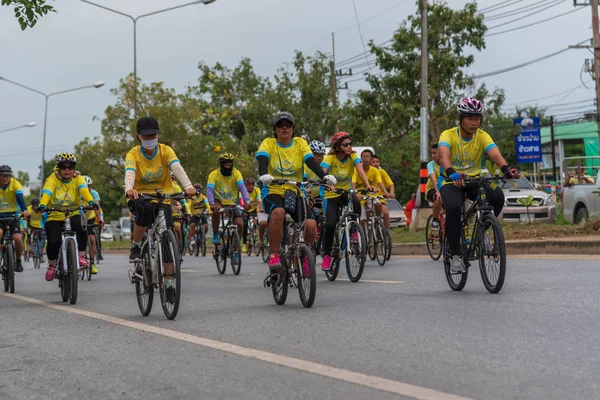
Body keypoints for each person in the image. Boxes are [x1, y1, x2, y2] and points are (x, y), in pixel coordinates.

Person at [438, 97, 519, 273]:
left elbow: (495, 154)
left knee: (497, 196)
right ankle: (456, 255)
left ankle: (481, 231)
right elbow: (444, 154)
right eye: (470, 118)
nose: (474, 123)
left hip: (475, 180)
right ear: (460, 119)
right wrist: (451, 171)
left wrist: (506, 168)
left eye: (477, 118)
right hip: (451, 179)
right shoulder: (448, 134)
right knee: (452, 209)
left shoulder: (482, 136)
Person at [124, 116, 196, 298]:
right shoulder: (133, 154)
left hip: (163, 197)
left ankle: (170, 283)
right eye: (146, 136)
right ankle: (136, 244)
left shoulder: (166, 151)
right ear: (138, 136)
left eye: (153, 135)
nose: (150, 139)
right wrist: (129, 188)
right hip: (140, 196)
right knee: (146, 209)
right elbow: (130, 172)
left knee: (167, 239)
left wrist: (188, 185)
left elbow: (176, 167)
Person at [256, 111, 336, 273]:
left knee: (312, 225)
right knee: (278, 213)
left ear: (293, 128)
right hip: (273, 190)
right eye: (280, 125)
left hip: (295, 192)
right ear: (275, 129)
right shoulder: (269, 143)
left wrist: (324, 176)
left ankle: (304, 256)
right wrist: (263, 173)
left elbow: (310, 160)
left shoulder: (300, 143)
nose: (284, 128)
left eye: (288, 125)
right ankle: (273, 255)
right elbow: (263, 158)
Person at [38, 154, 100, 281]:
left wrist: (91, 202)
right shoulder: (52, 178)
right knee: (54, 241)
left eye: (70, 167)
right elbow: (47, 192)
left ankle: (80, 256)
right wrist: (43, 204)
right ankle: (52, 265)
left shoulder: (78, 178)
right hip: (55, 214)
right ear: (59, 168)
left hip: (73, 212)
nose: (67, 170)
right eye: (63, 167)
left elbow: (84, 191)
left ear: (74, 168)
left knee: (82, 227)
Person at [320, 132, 374, 270]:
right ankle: (326, 255)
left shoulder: (353, 157)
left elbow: (361, 171)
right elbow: (323, 171)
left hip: (345, 191)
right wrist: (327, 182)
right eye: (346, 144)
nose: (349, 146)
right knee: (331, 224)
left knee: (356, 201)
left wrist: (367, 185)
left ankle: (354, 233)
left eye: (350, 144)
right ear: (338, 147)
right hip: (331, 194)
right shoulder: (330, 158)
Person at [206, 153, 250, 264]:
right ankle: (216, 234)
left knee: (240, 224)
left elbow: (242, 187)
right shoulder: (214, 174)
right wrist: (212, 203)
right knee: (216, 210)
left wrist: (247, 201)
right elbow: (210, 190)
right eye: (226, 164)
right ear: (221, 165)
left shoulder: (236, 173)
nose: (228, 166)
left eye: (230, 164)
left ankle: (235, 250)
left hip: (232, 203)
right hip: (218, 201)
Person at [0, 165, 28, 272]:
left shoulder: (15, 184)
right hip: (0, 216)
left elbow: (20, 197)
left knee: (17, 238)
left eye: (7, 175)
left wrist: (24, 210)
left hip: (13, 216)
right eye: (2, 175)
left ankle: (18, 260)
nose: (5, 178)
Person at [352, 149, 387, 228]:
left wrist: (385, 192)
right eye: (363, 157)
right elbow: (353, 182)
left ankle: (377, 220)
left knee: (378, 203)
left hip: (370, 194)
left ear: (371, 159)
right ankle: (363, 236)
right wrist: (355, 193)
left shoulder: (375, 170)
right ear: (361, 158)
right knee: (362, 219)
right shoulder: (356, 169)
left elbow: (380, 182)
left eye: (367, 157)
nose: (365, 159)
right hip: (360, 196)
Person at [83, 175, 104, 273]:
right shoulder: (77, 193)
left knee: (92, 239)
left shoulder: (94, 193)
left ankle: (92, 263)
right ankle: (80, 260)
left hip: (90, 218)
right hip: (79, 218)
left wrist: (99, 218)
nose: (88, 188)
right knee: (80, 240)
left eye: (90, 186)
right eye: (86, 186)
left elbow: (97, 207)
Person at [425, 144, 443, 232]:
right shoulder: (430, 165)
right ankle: (435, 220)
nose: (433, 155)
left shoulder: (447, 163)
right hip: (432, 189)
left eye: (435, 153)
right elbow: (433, 179)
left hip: (445, 189)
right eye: (432, 153)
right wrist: (438, 192)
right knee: (438, 198)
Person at [241, 177, 261, 253]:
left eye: (252, 184)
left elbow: (259, 200)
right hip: (246, 209)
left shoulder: (257, 190)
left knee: (260, 221)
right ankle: (244, 243)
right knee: (245, 225)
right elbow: (241, 201)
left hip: (255, 208)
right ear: (246, 185)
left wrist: (259, 209)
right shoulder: (243, 191)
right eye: (249, 185)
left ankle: (259, 238)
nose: (251, 186)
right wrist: (244, 205)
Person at [187, 183, 211, 248]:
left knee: (206, 226)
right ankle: (192, 239)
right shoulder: (192, 198)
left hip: (201, 214)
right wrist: (189, 213)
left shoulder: (203, 197)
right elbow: (188, 205)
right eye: (196, 190)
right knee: (192, 225)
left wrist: (210, 210)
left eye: (199, 190)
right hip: (194, 214)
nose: (198, 191)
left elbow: (207, 204)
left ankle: (203, 237)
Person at [27, 198, 47, 263]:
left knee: (43, 238)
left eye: (36, 206)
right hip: (31, 226)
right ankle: (30, 247)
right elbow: (25, 216)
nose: (35, 208)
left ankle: (40, 252)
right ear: (31, 205)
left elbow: (45, 218)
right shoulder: (28, 209)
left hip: (40, 226)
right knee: (29, 234)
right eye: (34, 206)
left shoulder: (42, 209)